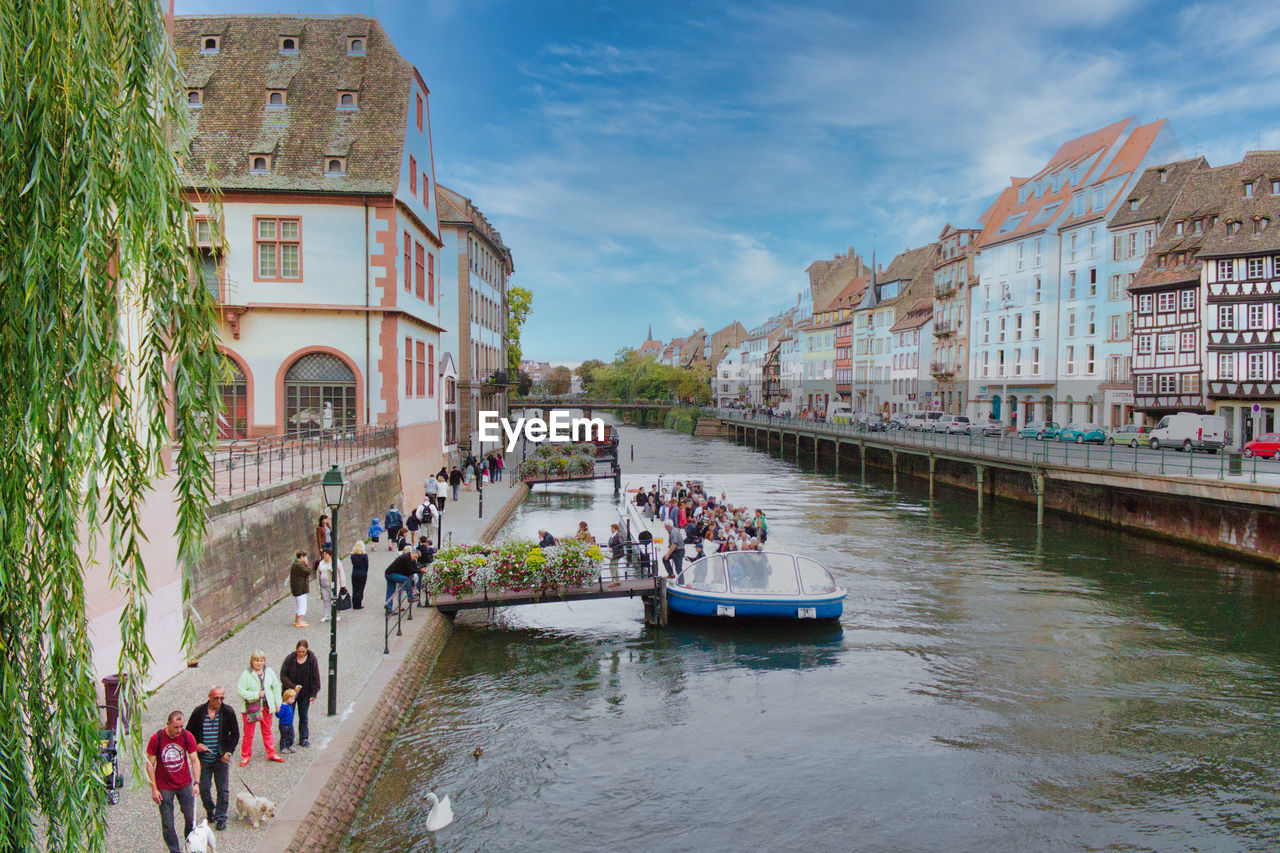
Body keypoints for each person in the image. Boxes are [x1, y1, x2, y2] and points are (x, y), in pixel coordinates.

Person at [185, 688, 238, 833]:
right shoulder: (198, 712)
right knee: (204, 788)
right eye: (216, 698)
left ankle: (221, 816)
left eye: (222, 698)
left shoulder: (228, 712)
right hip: (203, 760)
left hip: (220, 758)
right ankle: (210, 810)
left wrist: (228, 751)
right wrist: (196, 745)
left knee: (223, 789)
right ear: (209, 697)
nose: (219, 701)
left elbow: (235, 734)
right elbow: (188, 734)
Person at [148, 710, 199, 853]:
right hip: (164, 786)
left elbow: (194, 760)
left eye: (181, 726)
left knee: (190, 818)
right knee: (168, 823)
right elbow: (149, 764)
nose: (179, 730)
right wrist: (154, 789)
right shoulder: (156, 738)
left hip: (184, 784)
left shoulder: (187, 736)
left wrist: (196, 782)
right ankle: (174, 850)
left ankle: (189, 844)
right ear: (168, 724)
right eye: (176, 727)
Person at [236, 651, 283, 766]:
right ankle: (245, 756)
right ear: (252, 661)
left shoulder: (269, 672)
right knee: (248, 734)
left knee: (267, 731)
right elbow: (240, 691)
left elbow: (276, 687)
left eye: (261, 660)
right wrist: (256, 694)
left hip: (266, 707)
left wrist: (278, 703)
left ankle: (271, 753)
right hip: (251, 708)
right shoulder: (246, 674)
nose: (258, 663)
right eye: (256, 660)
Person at [280, 639, 321, 748]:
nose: (301, 654)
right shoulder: (290, 658)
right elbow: (283, 675)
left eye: (303, 652)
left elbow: (316, 677)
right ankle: (287, 740)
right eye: (299, 651)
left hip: (305, 693)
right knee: (288, 716)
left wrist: (314, 693)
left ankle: (303, 738)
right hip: (291, 693)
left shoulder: (312, 660)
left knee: (303, 715)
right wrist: (293, 686)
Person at [316, 549, 345, 623]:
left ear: (330, 555)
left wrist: (342, 585)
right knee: (326, 601)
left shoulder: (336, 562)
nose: (324, 556)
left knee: (334, 599)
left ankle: (337, 615)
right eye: (323, 554)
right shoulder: (321, 563)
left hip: (333, 585)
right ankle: (327, 616)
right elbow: (318, 574)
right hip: (324, 585)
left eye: (326, 554)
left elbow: (341, 573)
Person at [385, 546, 418, 611]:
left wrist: (416, 567)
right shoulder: (406, 558)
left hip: (388, 573)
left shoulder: (409, 558)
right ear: (412, 553)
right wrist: (419, 570)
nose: (415, 559)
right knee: (406, 580)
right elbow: (410, 570)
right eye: (415, 557)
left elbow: (413, 568)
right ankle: (410, 596)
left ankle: (388, 608)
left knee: (390, 591)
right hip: (391, 574)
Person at [289, 551, 311, 628]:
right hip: (300, 588)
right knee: (302, 604)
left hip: (298, 588)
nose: (306, 559)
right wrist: (307, 564)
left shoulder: (296, 564)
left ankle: (297, 620)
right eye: (304, 557)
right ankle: (299, 621)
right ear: (301, 557)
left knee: (298, 604)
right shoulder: (298, 565)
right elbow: (308, 572)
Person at [349, 539, 369, 609]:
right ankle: (359, 604)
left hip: (354, 573)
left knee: (354, 589)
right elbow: (366, 565)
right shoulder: (364, 555)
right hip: (362, 573)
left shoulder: (352, 556)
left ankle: (354, 603)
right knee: (360, 589)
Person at [277, 688, 297, 754]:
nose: (293, 700)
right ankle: (283, 747)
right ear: (286, 698)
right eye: (291, 699)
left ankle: (289, 745)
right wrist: (277, 711)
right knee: (284, 736)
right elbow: (279, 715)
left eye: (293, 699)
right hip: (283, 724)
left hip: (290, 724)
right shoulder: (283, 706)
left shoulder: (290, 704)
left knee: (291, 735)